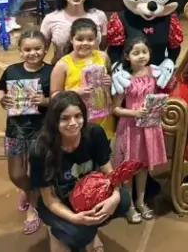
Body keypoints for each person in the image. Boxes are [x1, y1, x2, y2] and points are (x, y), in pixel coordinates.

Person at [30, 91, 130, 252]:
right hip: (58, 200)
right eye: (64, 118)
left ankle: (91, 230)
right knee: (79, 235)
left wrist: (115, 196)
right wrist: (75, 218)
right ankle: (56, 231)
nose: (73, 123)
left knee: (123, 201)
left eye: (78, 116)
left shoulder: (95, 133)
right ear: (54, 121)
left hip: (89, 195)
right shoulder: (40, 149)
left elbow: (110, 174)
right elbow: (49, 200)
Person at [0, 30, 52, 235]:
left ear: (45, 49)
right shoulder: (12, 70)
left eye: (37, 48)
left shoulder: (51, 71)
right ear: (20, 51)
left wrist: (45, 101)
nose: (33, 53)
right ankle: (30, 193)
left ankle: (34, 208)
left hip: (42, 130)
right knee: (16, 174)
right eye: (27, 49)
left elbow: (59, 97)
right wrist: (2, 99)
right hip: (15, 129)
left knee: (37, 170)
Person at [112, 37, 167, 224]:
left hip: (148, 127)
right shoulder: (124, 78)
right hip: (130, 128)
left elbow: (160, 94)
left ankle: (140, 202)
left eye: (144, 52)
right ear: (127, 56)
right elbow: (115, 108)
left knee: (143, 166)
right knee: (129, 168)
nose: (141, 56)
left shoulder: (154, 73)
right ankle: (129, 205)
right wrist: (134, 113)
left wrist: (160, 106)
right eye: (136, 53)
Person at [50, 18, 115, 139]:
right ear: (71, 39)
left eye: (90, 39)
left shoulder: (103, 57)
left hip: (102, 115)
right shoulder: (63, 64)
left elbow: (110, 81)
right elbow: (54, 96)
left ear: (96, 40)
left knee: (102, 145)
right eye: (79, 39)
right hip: (75, 118)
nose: (85, 43)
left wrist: (108, 82)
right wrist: (74, 92)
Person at [40, 0, 108, 65]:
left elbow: (103, 48)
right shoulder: (50, 19)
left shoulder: (99, 16)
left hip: (92, 69)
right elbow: (41, 51)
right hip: (61, 70)